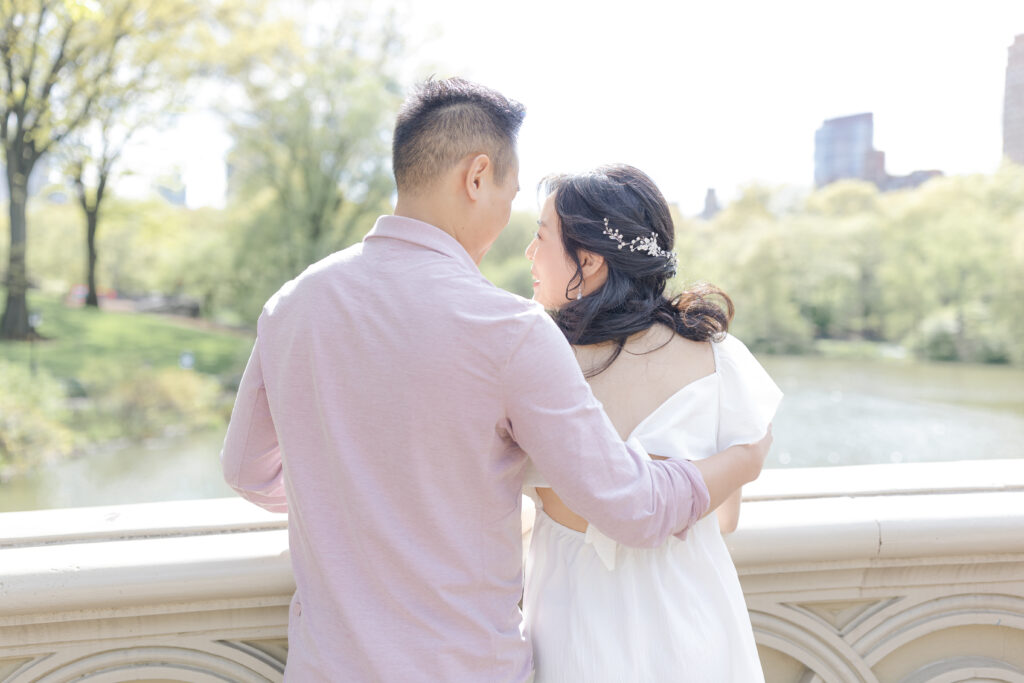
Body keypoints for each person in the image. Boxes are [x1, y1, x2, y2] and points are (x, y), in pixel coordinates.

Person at [221, 78, 770, 682]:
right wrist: (744, 460)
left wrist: (351, 502)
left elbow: (247, 470)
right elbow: (633, 507)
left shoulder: (292, 305)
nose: (515, 225)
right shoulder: (509, 329)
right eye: (511, 195)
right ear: (477, 177)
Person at [523, 164, 782, 682]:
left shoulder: (533, 365)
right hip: (693, 612)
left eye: (540, 237)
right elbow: (725, 519)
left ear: (590, 259)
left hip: (575, 618)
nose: (529, 254)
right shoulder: (718, 358)